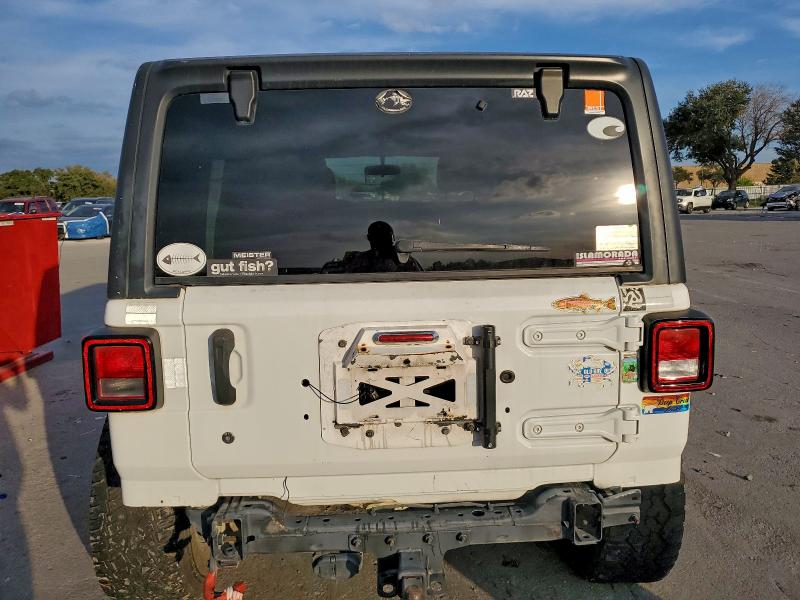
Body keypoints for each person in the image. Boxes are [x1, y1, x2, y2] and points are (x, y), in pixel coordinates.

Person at [321, 221, 423, 273]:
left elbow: (330, 272)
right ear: (393, 239)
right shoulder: (406, 261)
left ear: (369, 238)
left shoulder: (356, 261)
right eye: (381, 237)